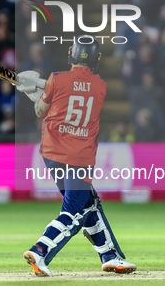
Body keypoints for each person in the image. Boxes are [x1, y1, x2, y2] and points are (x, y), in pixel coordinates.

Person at [17, 36, 136, 277]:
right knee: (74, 211)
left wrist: (36, 93)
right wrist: (45, 90)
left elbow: (42, 110)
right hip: (79, 157)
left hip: (51, 154)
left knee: (89, 204)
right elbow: (77, 94)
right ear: (96, 59)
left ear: (72, 53)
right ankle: (40, 250)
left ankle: (110, 256)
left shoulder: (56, 79)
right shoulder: (101, 86)